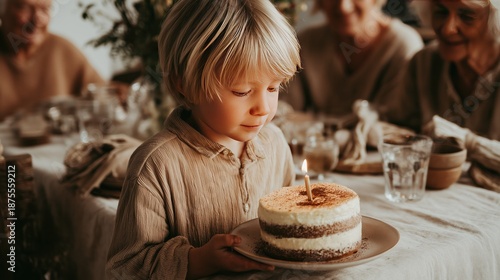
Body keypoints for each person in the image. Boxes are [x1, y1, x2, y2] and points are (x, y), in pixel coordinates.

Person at [106, 0, 300, 279]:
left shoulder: (275, 144)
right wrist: (199, 260)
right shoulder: (157, 165)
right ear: (184, 83)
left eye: (273, 87)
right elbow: (126, 267)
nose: (264, 108)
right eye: (242, 91)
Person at [281, 0, 423, 125]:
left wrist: (311, 122)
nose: (343, 7)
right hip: (317, 151)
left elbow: (388, 124)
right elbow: (282, 113)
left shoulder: (403, 45)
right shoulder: (306, 42)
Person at [393, 0, 500, 141]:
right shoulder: (424, 62)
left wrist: (468, 142)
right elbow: (397, 126)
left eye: (467, 17)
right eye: (441, 12)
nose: (448, 29)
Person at [0, 0, 104, 121]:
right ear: (3, 10)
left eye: (45, 9)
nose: (37, 19)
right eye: (25, 8)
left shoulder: (63, 49)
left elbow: (103, 93)